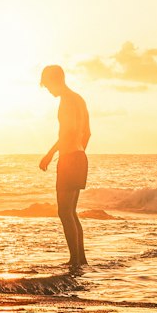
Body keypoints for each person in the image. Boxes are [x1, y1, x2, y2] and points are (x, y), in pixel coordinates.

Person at [39, 65, 90, 270]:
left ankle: (75, 262)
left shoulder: (67, 101)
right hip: (79, 157)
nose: (48, 90)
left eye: (48, 85)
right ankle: (80, 259)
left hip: (70, 159)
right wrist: (79, 153)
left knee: (64, 212)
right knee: (71, 212)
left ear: (55, 80)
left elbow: (67, 133)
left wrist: (51, 154)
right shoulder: (79, 99)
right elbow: (87, 133)